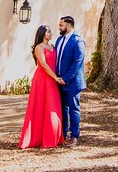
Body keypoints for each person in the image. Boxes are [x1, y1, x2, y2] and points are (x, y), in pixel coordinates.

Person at [18, 24, 65, 149]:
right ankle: (37, 137)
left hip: (52, 79)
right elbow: (43, 64)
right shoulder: (39, 47)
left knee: (52, 106)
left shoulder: (53, 47)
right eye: (49, 31)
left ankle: (52, 136)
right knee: (40, 106)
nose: (51, 34)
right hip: (42, 79)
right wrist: (55, 77)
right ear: (43, 33)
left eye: (50, 32)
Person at [53, 15, 86, 146]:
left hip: (73, 82)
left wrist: (66, 79)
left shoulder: (78, 41)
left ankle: (74, 136)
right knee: (62, 109)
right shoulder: (59, 40)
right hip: (59, 81)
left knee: (74, 109)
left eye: (61, 25)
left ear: (69, 25)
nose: (59, 27)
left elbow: (77, 62)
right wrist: (57, 77)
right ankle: (62, 134)